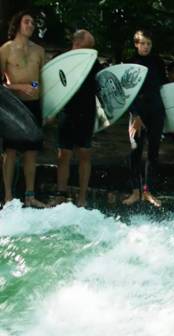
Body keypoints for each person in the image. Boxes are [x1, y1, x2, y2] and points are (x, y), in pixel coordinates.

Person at [0, 10, 46, 207]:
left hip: (34, 104)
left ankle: (30, 195)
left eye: (33, 23)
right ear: (18, 24)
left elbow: (40, 82)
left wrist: (34, 89)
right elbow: (1, 84)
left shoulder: (39, 51)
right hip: (13, 105)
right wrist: (20, 87)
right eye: (27, 22)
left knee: (31, 152)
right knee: (10, 151)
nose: (31, 25)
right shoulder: (5, 49)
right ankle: (9, 196)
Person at [51, 30, 102, 208]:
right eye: (89, 47)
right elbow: (45, 81)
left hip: (87, 113)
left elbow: (100, 87)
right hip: (67, 112)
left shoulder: (93, 62)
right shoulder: (61, 59)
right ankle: (61, 194)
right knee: (63, 154)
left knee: (84, 154)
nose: (92, 51)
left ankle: (82, 198)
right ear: (78, 43)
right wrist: (48, 109)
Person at [124, 29, 167, 207]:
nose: (146, 47)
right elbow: (126, 93)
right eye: (142, 43)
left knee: (153, 152)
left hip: (156, 110)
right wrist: (135, 115)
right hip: (137, 111)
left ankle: (148, 191)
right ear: (136, 44)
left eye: (149, 44)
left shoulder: (158, 61)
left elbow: (163, 86)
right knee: (136, 149)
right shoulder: (130, 63)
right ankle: (135, 191)